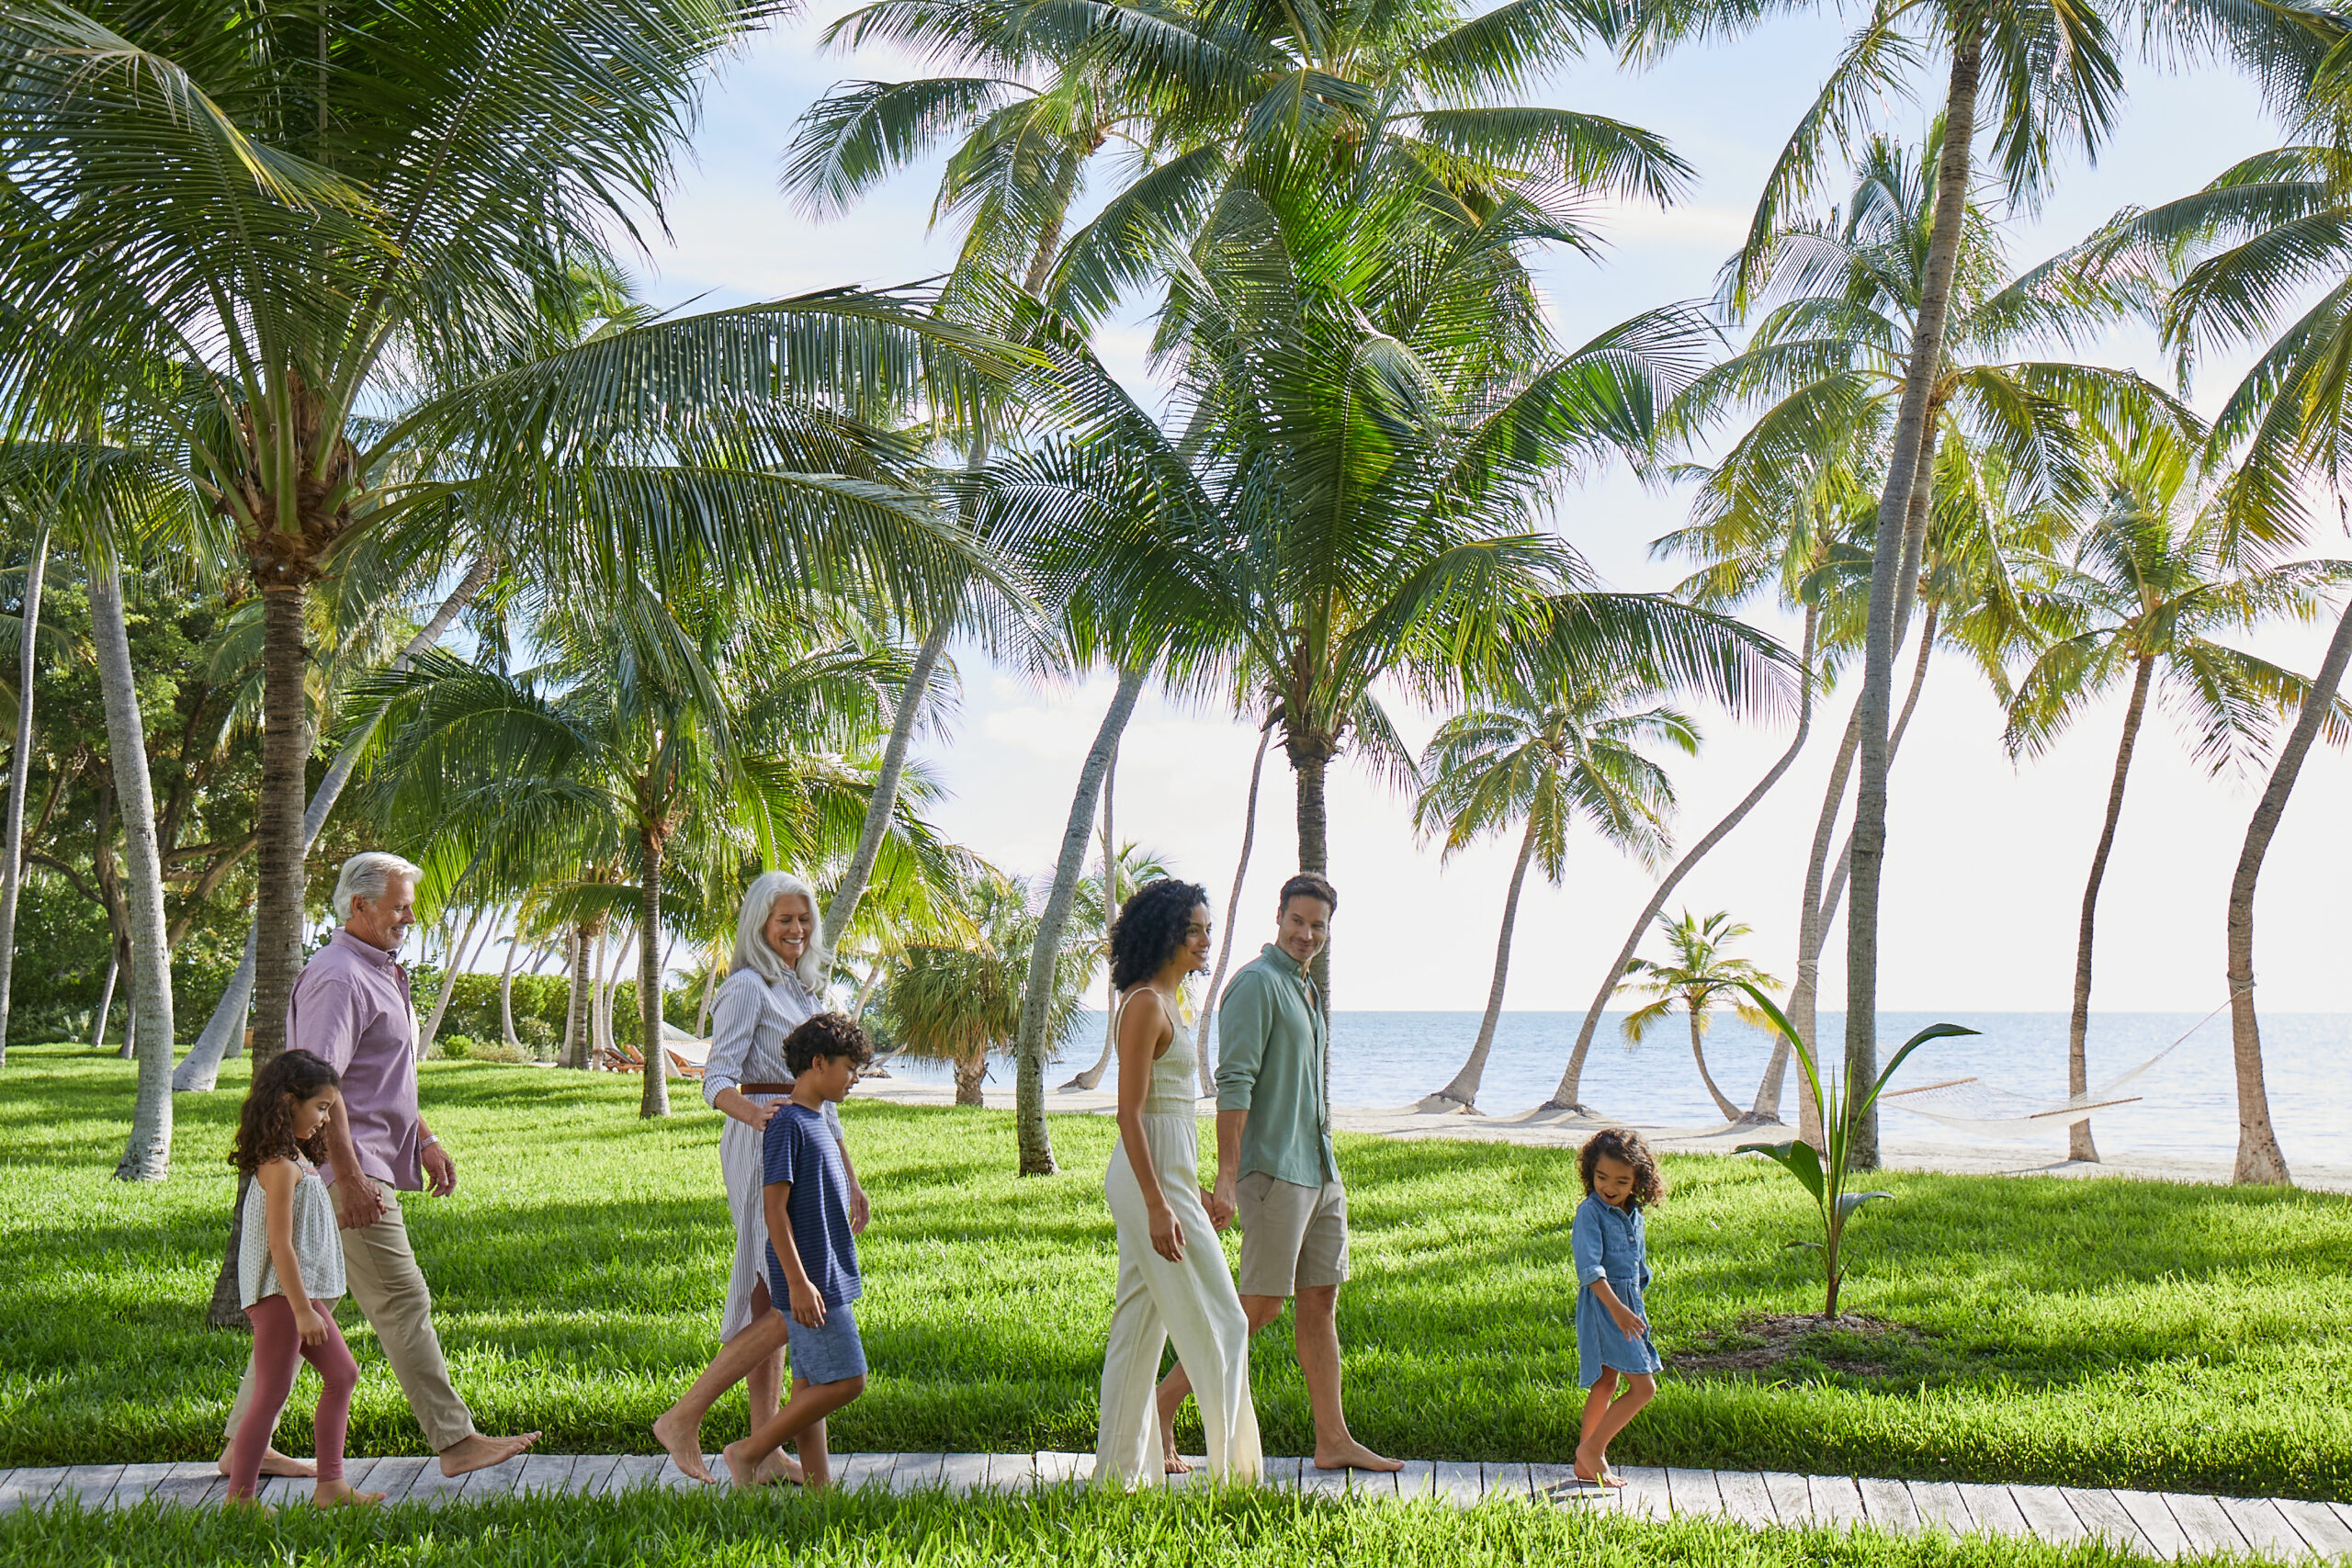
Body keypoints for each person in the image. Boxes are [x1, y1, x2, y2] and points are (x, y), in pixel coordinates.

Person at [217, 852, 538, 1482]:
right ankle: (455, 1440)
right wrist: (353, 1176)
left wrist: (422, 1136)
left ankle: (239, 1444)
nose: (409, 917)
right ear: (359, 905)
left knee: (307, 1304)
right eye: (399, 905)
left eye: (410, 905)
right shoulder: (339, 977)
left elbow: (377, 1077)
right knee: (401, 1299)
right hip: (344, 1171)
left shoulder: (377, 970)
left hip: (357, 1164)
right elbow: (318, 1084)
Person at [1160, 873, 1398, 1472]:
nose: (1307, 933)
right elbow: (1233, 1082)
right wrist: (1227, 1175)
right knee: (1258, 1306)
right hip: (1271, 1172)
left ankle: (1333, 1440)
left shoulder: (1305, 988)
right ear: (1279, 916)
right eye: (1298, 920)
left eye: (1319, 925)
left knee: (1320, 1299)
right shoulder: (1256, 984)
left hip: (1318, 1169)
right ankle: (1159, 1410)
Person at [654, 871, 870, 1483]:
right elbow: (715, 1077)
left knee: (767, 1301)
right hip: (763, 1144)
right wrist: (760, 1115)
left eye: (804, 919)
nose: (796, 930)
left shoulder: (804, 991)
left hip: (811, 1141)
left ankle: (765, 1446)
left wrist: (850, 1178)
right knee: (786, 1295)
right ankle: (685, 1416)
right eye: (784, 920)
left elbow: (827, 1099)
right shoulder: (746, 986)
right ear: (760, 924)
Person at [1094, 879, 1262, 1486]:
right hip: (1148, 1183)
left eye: (1207, 928)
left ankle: (1116, 1477)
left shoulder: (1170, 998)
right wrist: (1158, 1202)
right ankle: (1236, 1477)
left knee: (1138, 1332)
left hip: (1165, 1177)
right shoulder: (1144, 1003)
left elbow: (1168, 1113)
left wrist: (1183, 1187)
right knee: (1226, 1320)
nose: (1205, 939)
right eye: (1195, 929)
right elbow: (1130, 1113)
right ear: (1166, 932)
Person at [222, 1048, 381, 1511]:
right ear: (289, 1101)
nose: (326, 1120)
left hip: (296, 1298)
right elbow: (280, 1245)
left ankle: (330, 1487)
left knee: (343, 1374)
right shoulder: (279, 1164)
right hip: (281, 1298)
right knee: (271, 1394)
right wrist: (301, 1309)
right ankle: (241, 1500)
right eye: (321, 1108)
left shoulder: (296, 1158)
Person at [722, 1012, 875, 1489]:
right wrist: (798, 1283)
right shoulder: (787, 1123)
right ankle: (748, 1452)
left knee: (809, 1385)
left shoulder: (817, 1120)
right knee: (848, 1381)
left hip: (827, 1274)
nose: (854, 1079)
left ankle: (819, 1487)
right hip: (811, 1282)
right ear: (817, 1062)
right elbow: (774, 1211)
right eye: (849, 1067)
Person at [1571, 1126, 1666, 1487]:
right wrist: (1618, 1309)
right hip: (1605, 1306)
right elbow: (1590, 1271)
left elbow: (1639, 1267)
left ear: (1638, 1181)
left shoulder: (1633, 1213)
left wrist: (1635, 1304)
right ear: (1590, 1173)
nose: (1609, 1187)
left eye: (1622, 1181)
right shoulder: (1590, 1214)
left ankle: (1585, 1459)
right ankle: (1594, 1450)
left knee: (1607, 1383)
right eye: (1601, 1177)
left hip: (1626, 1307)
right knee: (1644, 1389)